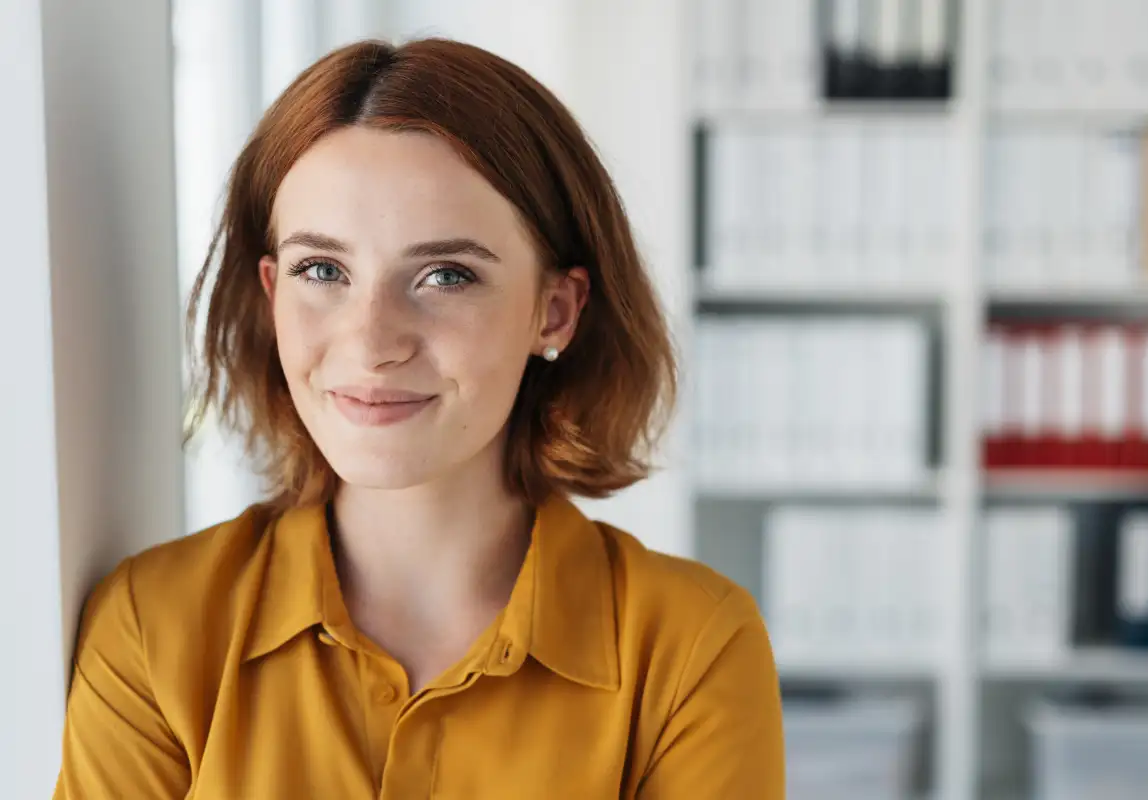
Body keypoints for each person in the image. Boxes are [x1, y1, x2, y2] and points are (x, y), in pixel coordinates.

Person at [54, 37, 785, 798]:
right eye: (322, 270)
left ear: (554, 311)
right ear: (272, 295)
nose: (372, 344)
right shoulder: (153, 626)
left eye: (445, 275)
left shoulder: (692, 647)